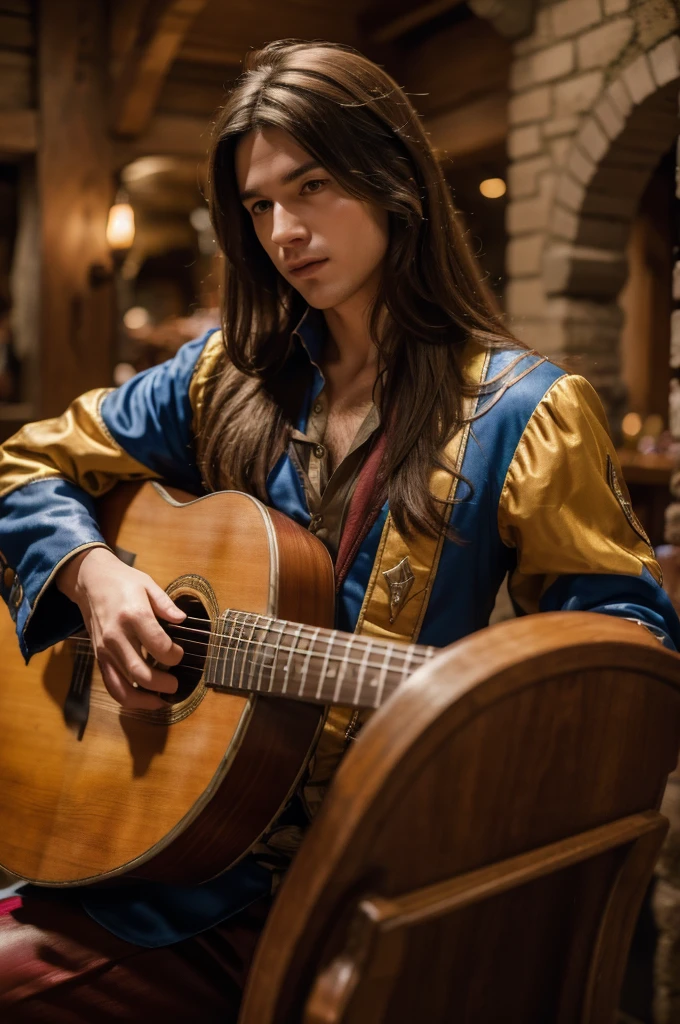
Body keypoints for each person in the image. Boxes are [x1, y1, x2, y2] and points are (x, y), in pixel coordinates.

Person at [1, 38, 678, 1022]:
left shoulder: (526, 413)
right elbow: (30, 461)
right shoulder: (221, 375)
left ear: (392, 176)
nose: (283, 230)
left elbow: (626, 667)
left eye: (310, 186)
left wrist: (481, 719)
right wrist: (96, 575)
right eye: (260, 205)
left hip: (362, 887)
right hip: (171, 854)